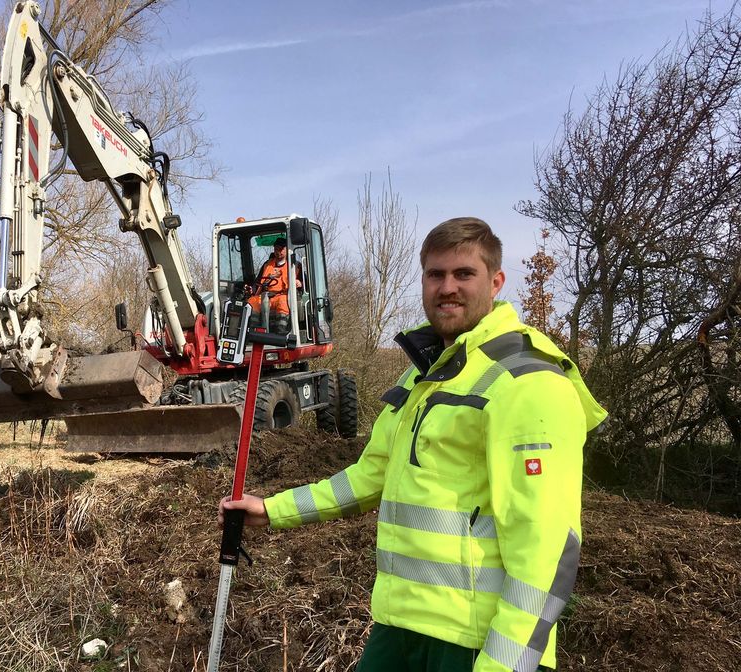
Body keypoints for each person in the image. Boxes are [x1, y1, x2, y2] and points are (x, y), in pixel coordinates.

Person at [220, 217, 607, 672]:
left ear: (496, 282)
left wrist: (505, 664)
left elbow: (547, 546)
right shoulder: (421, 375)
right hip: (401, 628)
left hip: (476, 643)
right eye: (435, 274)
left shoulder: (528, 380)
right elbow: (369, 476)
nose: (447, 287)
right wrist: (273, 510)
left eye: (464, 274)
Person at [247, 236, 302, 333]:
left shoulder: (295, 266)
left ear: (286, 250)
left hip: (283, 295)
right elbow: (258, 282)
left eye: (281, 249)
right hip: (266, 296)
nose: (278, 252)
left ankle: (280, 333)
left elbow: (304, 282)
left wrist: (300, 283)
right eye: (276, 249)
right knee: (252, 301)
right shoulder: (267, 265)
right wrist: (252, 289)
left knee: (283, 303)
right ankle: (253, 332)